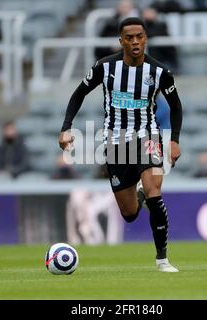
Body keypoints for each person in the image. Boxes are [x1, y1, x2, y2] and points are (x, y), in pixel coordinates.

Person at [59, 18, 183, 272]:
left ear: (145, 38)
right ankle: (138, 194)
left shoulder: (159, 72)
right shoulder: (105, 68)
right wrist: (66, 128)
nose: (135, 41)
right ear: (121, 41)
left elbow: (176, 106)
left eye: (139, 36)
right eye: (129, 37)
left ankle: (162, 259)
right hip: (116, 143)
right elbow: (78, 93)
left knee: (154, 191)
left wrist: (174, 140)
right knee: (129, 213)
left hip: (148, 136)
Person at [142, 7, 178, 73]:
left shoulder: (161, 25)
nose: (149, 15)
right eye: (148, 13)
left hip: (162, 52)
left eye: (151, 13)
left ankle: (173, 68)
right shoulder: (142, 26)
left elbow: (163, 34)